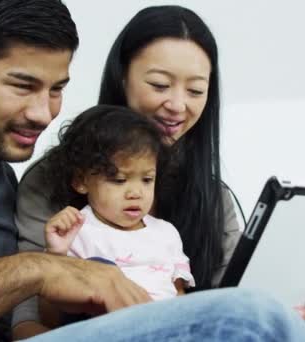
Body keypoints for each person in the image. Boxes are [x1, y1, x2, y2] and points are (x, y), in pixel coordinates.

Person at [0, 1, 305, 341]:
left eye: (57, 89)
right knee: (250, 319)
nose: (43, 112)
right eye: (23, 86)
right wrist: (40, 270)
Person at [12, 5, 305, 342]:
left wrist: (303, 319)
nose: (177, 105)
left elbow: (237, 305)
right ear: (121, 77)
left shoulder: (210, 197)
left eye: (196, 90)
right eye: (160, 84)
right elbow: (25, 324)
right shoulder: (53, 180)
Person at [43, 105, 195, 303]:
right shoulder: (76, 233)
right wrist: (56, 255)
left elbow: (179, 298)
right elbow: (53, 315)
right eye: (119, 180)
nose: (135, 193)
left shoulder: (166, 233)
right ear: (81, 180)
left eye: (147, 179)